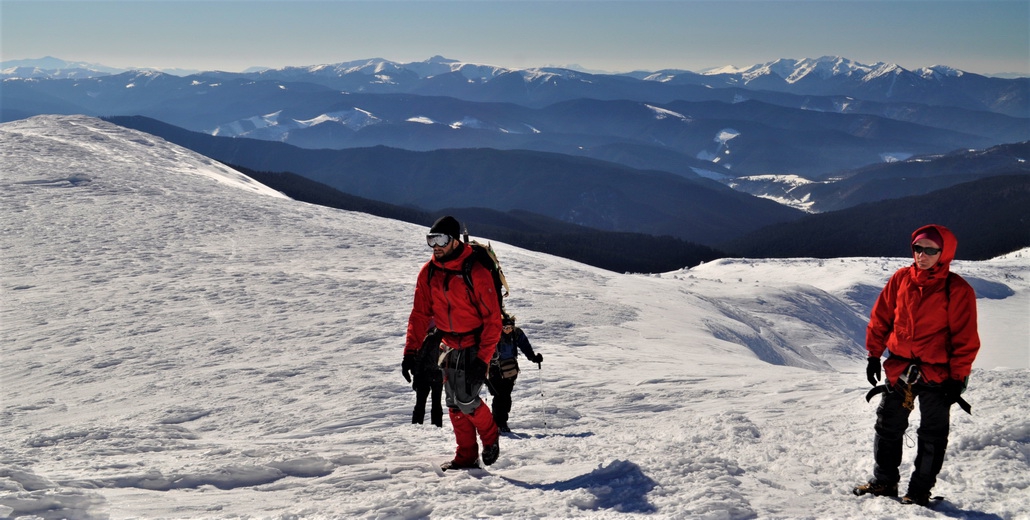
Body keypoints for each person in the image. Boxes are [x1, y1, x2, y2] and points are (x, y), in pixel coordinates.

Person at [853, 224, 980, 506]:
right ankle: (884, 482)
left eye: (930, 250)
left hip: (938, 375)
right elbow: (882, 318)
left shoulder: (957, 290)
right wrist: (874, 355)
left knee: (932, 435)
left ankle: (919, 491)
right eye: (917, 248)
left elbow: (966, 337)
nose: (922, 255)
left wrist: (957, 378)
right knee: (887, 426)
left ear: (943, 253)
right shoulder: (901, 279)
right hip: (900, 369)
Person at [402, 216, 502, 470]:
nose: (435, 245)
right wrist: (410, 352)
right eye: (430, 240)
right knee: (454, 405)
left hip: (475, 345)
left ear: (455, 241)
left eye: (441, 239)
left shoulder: (475, 271)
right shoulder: (429, 272)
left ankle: (491, 439)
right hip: (447, 346)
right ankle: (466, 456)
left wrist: (484, 359)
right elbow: (420, 314)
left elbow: (493, 320)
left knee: (467, 400)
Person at [486, 315, 543, 433]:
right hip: (495, 370)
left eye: (509, 327)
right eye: (505, 328)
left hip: (510, 370)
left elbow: (525, 346)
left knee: (505, 396)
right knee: (499, 396)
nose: (507, 330)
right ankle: (498, 423)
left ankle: (501, 422)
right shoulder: (492, 333)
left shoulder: (516, 333)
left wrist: (533, 358)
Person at [410, 327, 443, 427]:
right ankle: (435, 426)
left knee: (425, 403)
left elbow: (420, 357)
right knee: (431, 403)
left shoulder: (432, 338)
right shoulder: (435, 339)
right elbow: (420, 357)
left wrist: (416, 374)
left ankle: (418, 426)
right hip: (429, 374)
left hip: (430, 374)